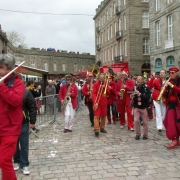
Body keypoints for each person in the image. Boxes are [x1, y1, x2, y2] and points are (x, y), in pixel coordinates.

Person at [0, 54, 25, 180]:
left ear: (10, 69)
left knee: (4, 160)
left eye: (1, 67)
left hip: (10, 129)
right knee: (3, 162)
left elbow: (15, 100)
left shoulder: (18, 83)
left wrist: (2, 87)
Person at [14, 88, 37, 175]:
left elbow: (32, 107)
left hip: (23, 122)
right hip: (11, 124)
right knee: (14, 144)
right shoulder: (7, 90)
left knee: (24, 145)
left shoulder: (26, 92)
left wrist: (32, 121)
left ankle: (24, 164)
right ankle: (16, 161)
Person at [163, 67, 180, 149]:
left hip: (178, 104)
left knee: (178, 123)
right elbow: (164, 95)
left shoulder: (178, 81)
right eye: (170, 73)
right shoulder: (169, 82)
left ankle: (177, 139)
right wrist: (165, 88)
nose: (171, 74)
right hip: (170, 104)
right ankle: (174, 140)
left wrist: (172, 86)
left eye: (173, 73)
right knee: (170, 123)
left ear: (176, 73)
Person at [131, 75, 151, 140]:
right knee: (136, 120)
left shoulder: (146, 87)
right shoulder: (135, 87)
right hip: (136, 106)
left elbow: (148, 97)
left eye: (140, 79)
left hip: (144, 106)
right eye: (137, 79)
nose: (138, 80)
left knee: (145, 122)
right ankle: (138, 134)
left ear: (142, 80)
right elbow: (132, 95)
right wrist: (132, 96)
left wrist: (139, 94)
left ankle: (145, 135)